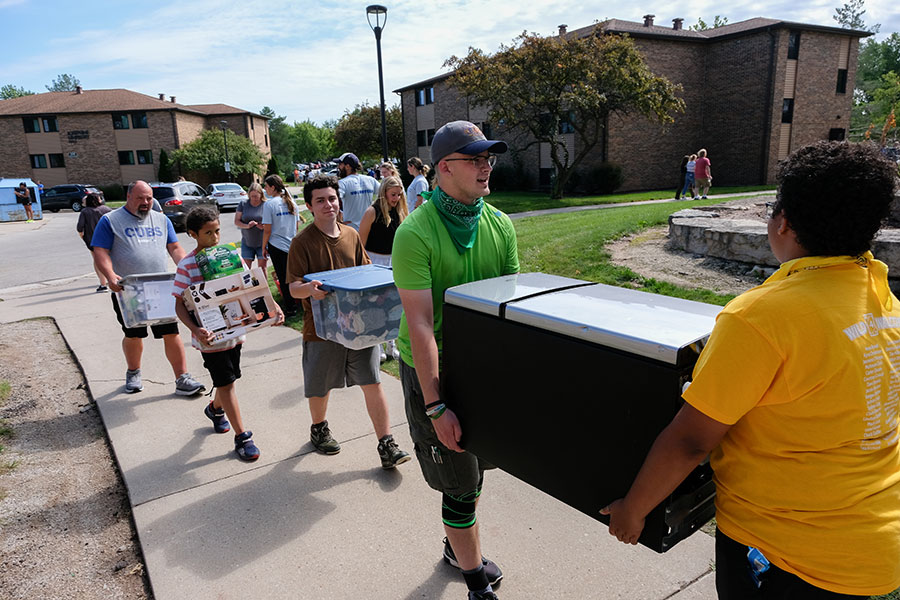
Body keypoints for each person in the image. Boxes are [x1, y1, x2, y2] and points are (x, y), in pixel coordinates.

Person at [601, 141, 900, 599]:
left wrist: (633, 511)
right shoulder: (882, 298)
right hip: (871, 541)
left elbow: (691, 439)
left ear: (783, 223)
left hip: (788, 551)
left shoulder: (763, 317)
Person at [392, 121, 519, 600]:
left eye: (489, 158)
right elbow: (422, 325)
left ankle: (454, 545)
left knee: (474, 471)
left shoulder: (500, 225)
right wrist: (436, 406)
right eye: (475, 159)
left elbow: (509, 309)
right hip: (432, 370)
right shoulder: (415, 233)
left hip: (479, 367)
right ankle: (474, 583)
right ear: (444, 169)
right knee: (460, 483)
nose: (487, 166)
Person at [285, 175, 411, 470]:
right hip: (322, 329)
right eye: (320, 200)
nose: (328, 205)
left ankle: (386, 443)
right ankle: (319, 428)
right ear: (309, 205)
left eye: (332, 198)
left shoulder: (351, 235)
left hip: (358, 327)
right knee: (320, 387)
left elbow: (365, 271)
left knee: (373, 382)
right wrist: (310, 290)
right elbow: (292, 287)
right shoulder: (301, 242)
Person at [172, 206, 284, 462]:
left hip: (235, 330)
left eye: (218, 231)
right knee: (227, 383)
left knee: (231, 378)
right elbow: (179, 302)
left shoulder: (231, 255)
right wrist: (195, 329)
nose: (214, 237)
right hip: (210, 337)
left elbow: (252, 285)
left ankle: (214, 409)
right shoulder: (188, 265)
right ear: (193, 234)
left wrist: (273, 307)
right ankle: (242, 437)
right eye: (208, 233)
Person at [91, 180, 206, 396]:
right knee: (134, 334)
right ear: (128, 196)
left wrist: (185, 270)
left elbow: (174, 247)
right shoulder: (110, 221)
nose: (145, 203)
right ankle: (133, 372)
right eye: (140, 198)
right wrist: (110, 276)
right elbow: (100, 251)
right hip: (129, 290)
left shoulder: (161, 220)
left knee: (171, 331)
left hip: (160, 287)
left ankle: (182, 378)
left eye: (149, 198)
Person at [358, 175, 409, 362]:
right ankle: (377, 345)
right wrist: (364, 266)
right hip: (373, 260)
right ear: (384, 193)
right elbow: (360, 242)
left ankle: (391, 344)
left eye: (398, 194)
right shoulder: (372, 211)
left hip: (393, 261)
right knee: (375, 304)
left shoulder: (401, 212)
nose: (396, 198)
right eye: (392, 194)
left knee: (394, 303)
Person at [262, 174, 305, 317]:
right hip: (291, 244)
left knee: (283, 277)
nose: (265, 189)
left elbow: (267, 230)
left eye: (266, 186)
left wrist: (263, 247)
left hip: (276, 245)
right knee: (294, 275)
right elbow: (296, 226)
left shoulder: (269, 204)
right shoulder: (291, 202)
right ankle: (301, 302)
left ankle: (291, 307)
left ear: (273, 187)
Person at [76, 192, 112, 292]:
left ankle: (103, 284)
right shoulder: (106, 209)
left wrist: (82, 236)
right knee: (111, 259)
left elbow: (80, 227)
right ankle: (113, 279)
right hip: (109, 238)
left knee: (98, 261)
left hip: (93, 241)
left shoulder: (85, 212)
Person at [335, 152, 379, 231]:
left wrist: (338, 221)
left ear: (348, 166)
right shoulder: (370, 180)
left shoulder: (342, 183)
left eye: (340, 164)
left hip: (351, 230)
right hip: (369, 228)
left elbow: (334, 202)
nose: (338, 167)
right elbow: (385, 194)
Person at [234, 182, 267, 273]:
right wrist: (247, 226)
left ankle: (264, 287)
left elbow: (272, 223)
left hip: (262, 243)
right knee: (246, 270)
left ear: (261, 194)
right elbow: (237, 221)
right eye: (252, 196)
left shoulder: (266, 204)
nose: (254, 199)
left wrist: (264, 226)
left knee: (262, 268)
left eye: (256, 196)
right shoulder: (243, 204)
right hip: (247, 242)